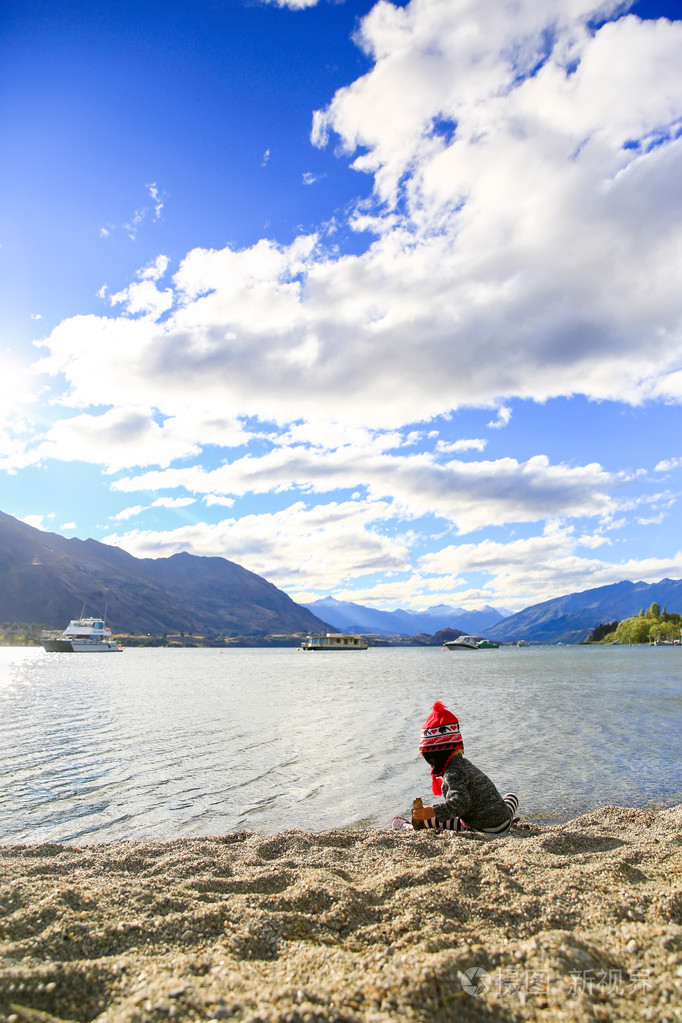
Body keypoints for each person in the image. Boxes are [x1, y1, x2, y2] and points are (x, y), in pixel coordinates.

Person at [408, 700, 518, 834]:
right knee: (511, 797)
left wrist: (432, 811)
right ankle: (505, 821)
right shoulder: (464, 764)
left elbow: (461, 804)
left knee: (431, 820)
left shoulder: (452, 773)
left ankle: (406, 827)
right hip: (504, 820)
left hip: (484, 828)